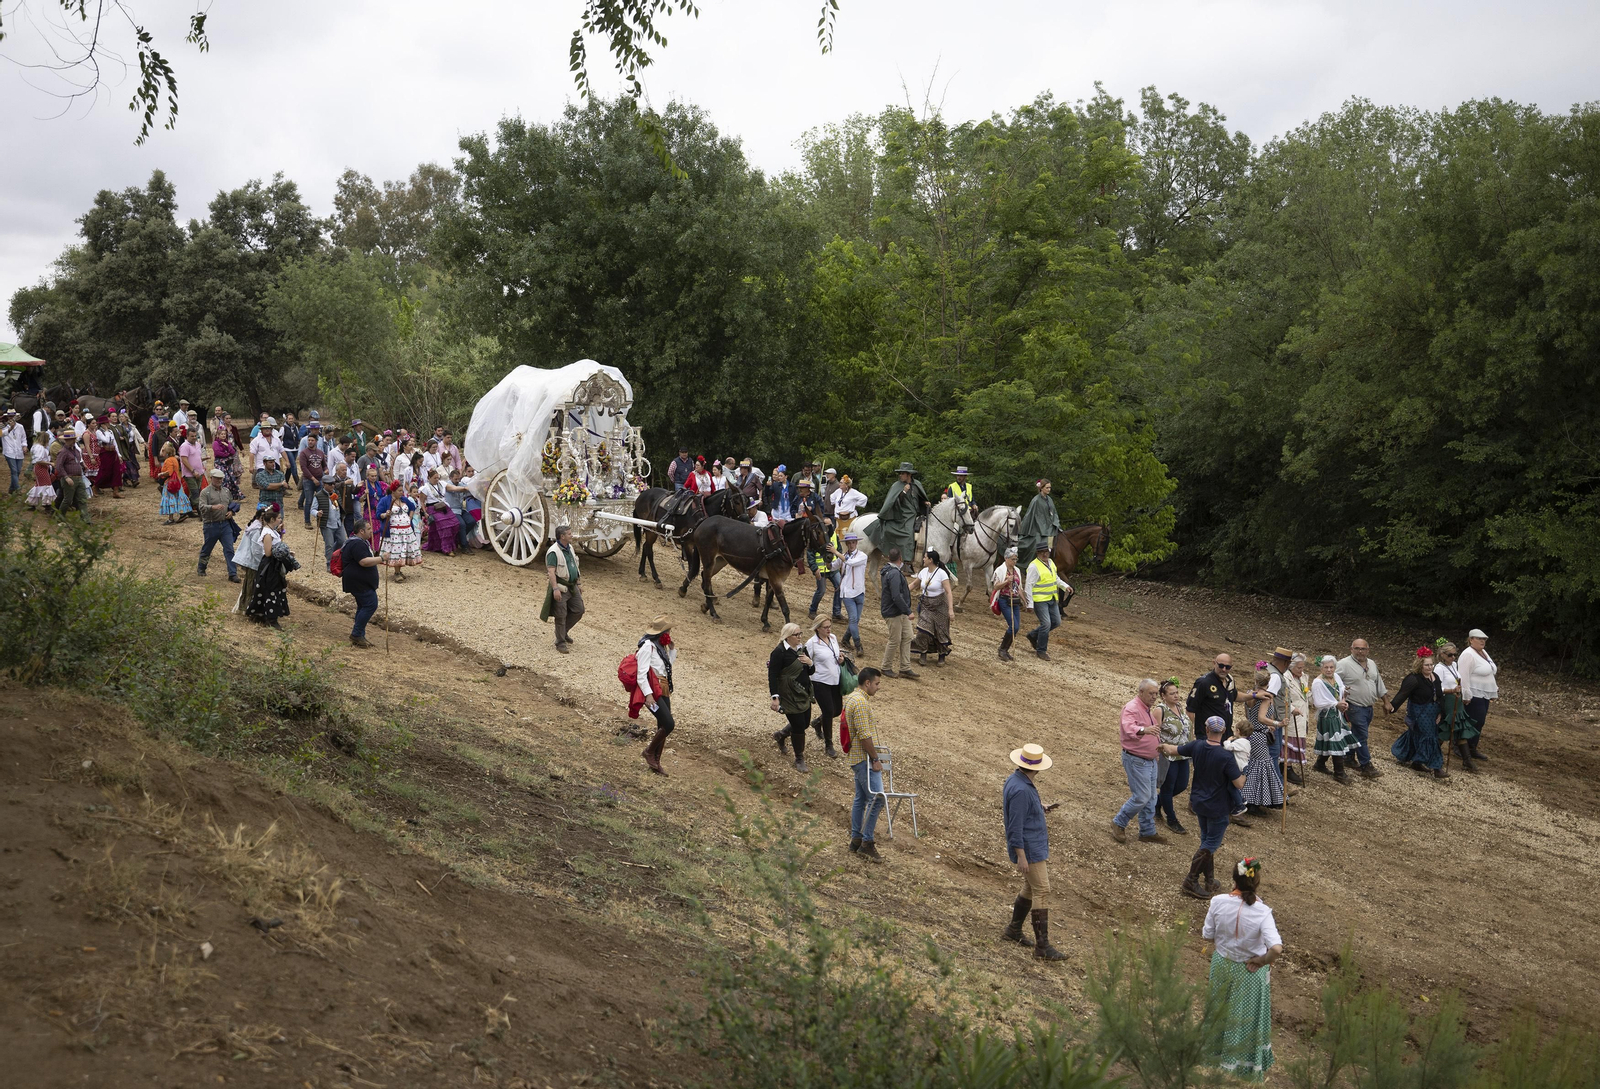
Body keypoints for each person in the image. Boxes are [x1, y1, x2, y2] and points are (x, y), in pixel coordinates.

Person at [1203, 859, 1282, 1082]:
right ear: (1256, 882)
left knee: (1220, 1012)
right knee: (1244, 1018)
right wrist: (1262, 960)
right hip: (1249, 973)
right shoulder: (1262, 912)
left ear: (1234, 878)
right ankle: (1242, 1067)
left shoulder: (1218, 902)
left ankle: (1216, 1059)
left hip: (1222, 965)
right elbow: (1276, 948)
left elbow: (1207, 935)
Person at [1161, 716, 1246, 900]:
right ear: (1224, 731)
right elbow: (1239, 784)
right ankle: (1190, 881)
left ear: (1206, 729)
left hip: (1199, 802)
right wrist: (1245, 771)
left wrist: (1159, 745)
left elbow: (1173, 749)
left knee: (1206, 840)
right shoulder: (1226, 756)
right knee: (1210, 844)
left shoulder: (1197, 746)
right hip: (1218, 806)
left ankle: (1209, 880)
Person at [1001, 742, 1065, 961]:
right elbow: (1015, 826)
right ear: (1037, 767)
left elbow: (1021, 813)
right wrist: (1021, 855)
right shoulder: (1021, 790)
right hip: (1030, 848)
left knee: (1030, 888)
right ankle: (1042, 947)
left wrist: (1039, 807)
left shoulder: (1017, 780)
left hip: (1031, 845)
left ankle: (1014, 930)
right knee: (1042, 890)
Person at [1111, 679, 1169, 844]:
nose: (1154, 697)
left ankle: (1147, 831)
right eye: (1151, 693)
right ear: (1141, 692)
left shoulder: (1146, 708)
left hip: (1149, 760)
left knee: (1151, 798)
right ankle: (1118, 822)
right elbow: (1128, 728)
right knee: (1143, 796)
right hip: (1136, 759)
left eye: (1156, 693)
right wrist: (1145, 730)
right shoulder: (1132, 708)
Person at [844, 667, 886, 861]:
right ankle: (867, 842)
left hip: (857, 758)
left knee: (861, 799)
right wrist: (875, 759)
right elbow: (864, 735)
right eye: (876, 683)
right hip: (863, 758)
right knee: (878, 798)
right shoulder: (860, 703)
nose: (878, 687)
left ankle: (856, 840)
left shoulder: (854, 698)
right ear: (867, 683)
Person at [1388, 647, 1448, 778]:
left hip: (1433, 712)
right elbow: (1402, 694)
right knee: (1430, 737)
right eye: (1426, 665)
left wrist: (1441, 713)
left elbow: (1440, 696)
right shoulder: (1413, 679)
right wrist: (1392, 706)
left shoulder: (1435, 677)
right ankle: (1437, 767)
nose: (1430, 667)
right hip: (1419, 712)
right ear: (1420, 665)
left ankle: (1415, 761)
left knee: (1417, 734)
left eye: (1431, 664)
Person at [1336, 638, 1387, 780]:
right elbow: (1332, 680)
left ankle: (1349, 757)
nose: (1360, 651)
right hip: (1354, 706)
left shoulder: (1371, 663)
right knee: (1361, 736)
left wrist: (1386, 701)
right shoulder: (1343, 664)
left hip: (1369, 707)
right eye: (1357, 648)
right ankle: (1366, 765)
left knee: (1356, 733)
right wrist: (1339, 699)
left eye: (1363, 649)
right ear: (1351, 649)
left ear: (1368, 650)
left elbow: (1378, 683)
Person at [768, 622, 815, 773]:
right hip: (788, 695)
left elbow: (810, 672)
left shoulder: (802, 649)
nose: (800, 637)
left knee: (805, 723)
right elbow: (773, 675)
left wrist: (810, 663)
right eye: (797, 634)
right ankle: (799, 758)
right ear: (788, 637)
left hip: (804, 693)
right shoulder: (779, 652)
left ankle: (780, 735)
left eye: (801, 633)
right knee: (799, 727)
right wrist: (775, 697)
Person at [862, 462, 928, 565]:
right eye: (900, 473)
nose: (900, 475)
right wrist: (904, 492)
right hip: (902, 514)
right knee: (907, 534)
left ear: (909, 474)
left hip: (914, 514)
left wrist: (925, 502)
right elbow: (893, 501)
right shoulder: (897, 486)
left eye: (902, 473)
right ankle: (907, 562)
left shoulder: (917, 484)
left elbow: (919, 498)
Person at [1240, 666, 1286, 813]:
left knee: (1252, 766)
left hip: (1250, 733)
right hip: (1259, 735)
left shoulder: (1250, 695)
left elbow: (1250, 716)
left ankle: (1248, 798)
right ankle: (1253, 801)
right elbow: (1261, 718)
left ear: (1255, 680)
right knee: (1260, 767)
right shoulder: (1266, 697)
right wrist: (1277, 723)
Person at [635, 616, 677, 774]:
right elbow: (641, 674)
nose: (670, 634)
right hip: (653, 692)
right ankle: (649, 752)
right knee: (669, 724)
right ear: (661, 633)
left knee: (662, 725)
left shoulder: (660, 647)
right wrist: (648, 695)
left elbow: (666, 668)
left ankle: (656, 763)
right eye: (668, 631)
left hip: (663, 690)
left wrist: (672, 650)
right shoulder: (648, 647)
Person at [245, 505, 297, 628]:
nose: (280, 520)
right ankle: (270, 618)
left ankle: (265, 615)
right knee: (271, 590)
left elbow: (277, 543)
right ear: (272, 520)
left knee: (274, 590)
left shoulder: (272, 531)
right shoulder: (267, 534)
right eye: (279, 518)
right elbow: (268, 552)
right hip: (270, 566)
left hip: (274, 564)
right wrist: (282, 552)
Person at [1310, 654, 1359, 784]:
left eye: (1331, 667)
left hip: (1337, 714)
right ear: (1321, 668)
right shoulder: (1318, 682)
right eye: (1326, 667)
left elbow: (1341, 689)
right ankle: (1339, 773)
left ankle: (1320, 764)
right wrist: (1335, 704)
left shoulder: (1336, 677)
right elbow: (1318, 702)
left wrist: (1343, 699)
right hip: (1327, 716)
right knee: (1335, 740)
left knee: (1330, 740)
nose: (1329, 670)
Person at [1433, 641, 1478, 773]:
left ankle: (1467, 760)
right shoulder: (1439, 668)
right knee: (1447, 728)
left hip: (1457, 701)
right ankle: (1431, 754)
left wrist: (1463, 694)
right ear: (1442, 654)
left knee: (1460, 729)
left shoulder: (1454, 665)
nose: (1453, 657)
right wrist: (1451, 690)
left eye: (1455, 655)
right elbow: (1436, 688)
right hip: (1448, 701)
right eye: (1450, 655)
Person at [1155, 679, 1193, 834]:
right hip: (1167, 755)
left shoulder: (1179, 707)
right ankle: (1172, 819)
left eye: (1177, 692)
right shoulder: (1160, 710)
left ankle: (1156, 804)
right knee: (1168, 787)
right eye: (1172, 693)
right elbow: (1155, 733)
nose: (1176, 696)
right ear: (1163, 696)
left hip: (1182, 753)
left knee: (1182, 785)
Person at [806, 615, 845, 759]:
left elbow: (835, 655)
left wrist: (841, 660)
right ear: (817, 628)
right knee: (828, 711)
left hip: (835, 680)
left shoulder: (833, 638)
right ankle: (829, 744)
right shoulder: (812, 643)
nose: (829, 629)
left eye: (830, 626)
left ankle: (817, 722)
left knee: (837, 710)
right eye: (825, 627)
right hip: (820, 681)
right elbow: (806, 661)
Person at [339, 518, 382, 647]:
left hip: (358, 581)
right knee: (370, 604)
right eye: (369, 529)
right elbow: (363, 561)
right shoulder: (357, 544)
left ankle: (359, 634)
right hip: (358, 582)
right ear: (361, 531)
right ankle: (357, 634)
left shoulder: (358, 542)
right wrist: (381, 558)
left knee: (363, 606)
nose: (371, 531)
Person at [542, 524, 584, 652]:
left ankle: (563, 631)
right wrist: (555, 589)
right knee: (560, 615)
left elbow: (574, 565)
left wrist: (578, 583)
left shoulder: (569, 547)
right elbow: (551, 572)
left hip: (572, 585)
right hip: (561, 586)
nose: (571, 535)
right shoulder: (553, 552)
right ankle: (560, 642)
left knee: (579, 610)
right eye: (569, 534)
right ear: (562, 536)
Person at [1457, 628, 1497, 763]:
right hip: (1474, 693)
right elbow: (1463, 676)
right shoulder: (1468, 654)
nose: (1482, 641)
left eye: (1484, 639)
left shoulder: (1483, 652)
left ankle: (1472, 747)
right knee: (1473, 720)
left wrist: (1492, 691)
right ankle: (1461, 747)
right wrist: (1466, 694)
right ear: (1471, 640)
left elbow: (1490, 672)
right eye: (1479, 639)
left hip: (1484, 693)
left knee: (1480, 721)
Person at [911, 547, 955, 666]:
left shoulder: (942, 574)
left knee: (940, 631)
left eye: (925, 557)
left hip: (940, 606)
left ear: (930, 560)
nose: (923, 559)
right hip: (926, 604)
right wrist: (900, 591)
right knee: (923, 630)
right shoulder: (923, 572)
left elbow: (948, 592)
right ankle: (923, 653)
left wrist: (950, 610)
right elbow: (914, 584)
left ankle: (941, 656)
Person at [196, 468, 240, 582]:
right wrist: (213, 507)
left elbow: (232, 504)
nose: (219, 481)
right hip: (211, 525)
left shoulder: (226, 491)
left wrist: (232, 512)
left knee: (229, 549)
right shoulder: (205, 492)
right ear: (211, 478)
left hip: (225, 524)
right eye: (216, 478)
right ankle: (201, 567)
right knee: (207, 548)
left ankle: (232, 573)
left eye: (220, 479)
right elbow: (201, 507)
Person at [879, 547, 916, 679]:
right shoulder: (894, 573)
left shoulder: (888, 571)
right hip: (895, 611)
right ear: (900, 558)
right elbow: (896, 596)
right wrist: (908, 610)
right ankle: (886, 667)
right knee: (895, 639)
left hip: (897, 611)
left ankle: (905, 667)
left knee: (908, 636)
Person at [1023, 543, 1062, 661]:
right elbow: (1028, 586)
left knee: (1056, 622)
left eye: (1046, 551)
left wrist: (1065, 586)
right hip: (1040, 601)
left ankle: (1033, 635)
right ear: (1037, 553)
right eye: (1042, 552)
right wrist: (1029, 604)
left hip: (1051, 598)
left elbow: (1055, 578)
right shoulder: (1034, 566)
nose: (1045, 554)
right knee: (1046, 624)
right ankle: (1041, 650)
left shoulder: (1051, 563)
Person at [378, 482, 423, 579]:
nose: (402, 493)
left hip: (406, 530)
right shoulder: (385, 500)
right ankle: (397, 573)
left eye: (402, 490)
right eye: (399, 491)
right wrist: (385, 514)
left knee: (402, 550)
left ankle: (399, 571)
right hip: (394, 531)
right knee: (396, 551)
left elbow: (412, 507)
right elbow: (379, 514)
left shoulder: (404, 499)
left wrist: (409, 518)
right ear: (393, 491)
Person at [835, 532, 869, 655]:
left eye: (853, 542)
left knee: (855, 620)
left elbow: (850, 562)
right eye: (849, 543)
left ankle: (845, 639)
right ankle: (858, 646)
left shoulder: (862, 556)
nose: (851, 545)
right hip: (848, 593)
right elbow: (833, 566)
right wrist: (827, 561)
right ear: (847, 544)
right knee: (853, 620)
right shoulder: (843, 556)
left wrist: (836, 552)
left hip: (859, 592)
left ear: (856, 543)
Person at [1187, 654, 1237, 734]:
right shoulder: (1203, 683)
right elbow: (1190, 710)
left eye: (1227, 667)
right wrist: (1189, 736)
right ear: (1214, 663)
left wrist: (1253, 695)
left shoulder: (1229, 680)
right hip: (1207, 736)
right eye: (1221, 666)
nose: (1224, 669)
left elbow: (1235, 695)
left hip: (1226, 734)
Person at [990, 547, 1024, 662]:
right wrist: (1006, 581)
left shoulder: (1017, 571)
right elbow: (995, 586)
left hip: (1014, 600)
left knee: (1016, 627)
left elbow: (1019, 588)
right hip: (1004, 600)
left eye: (1016, 559)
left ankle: (1005, 649)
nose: (1015, 561)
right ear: (1006, 558)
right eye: (1013, 559)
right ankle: (1002, 649)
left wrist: (1025, 601)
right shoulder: (1000, 570)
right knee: (1013, 626)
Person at [1282, 653, 1312, 785]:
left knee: (1297, 737)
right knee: (1288, 740)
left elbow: (1307, 695)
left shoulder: (1303, 677)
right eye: (1299, 668)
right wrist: (1292, 708)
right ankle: (1285, 768)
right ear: (1290, 666)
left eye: (1302, 667)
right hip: (1291, 714)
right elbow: (1283, 697)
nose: (1302, 670)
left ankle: (1288, 766)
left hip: (1302, 714)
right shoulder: (1285, 678)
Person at [1016, 478, 1061, 559]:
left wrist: (1055, 523)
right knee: (1036, 545)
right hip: (1038, 529)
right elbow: (1030, 515)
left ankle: (1050, 560)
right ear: (1041, 488)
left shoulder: (1049, 499)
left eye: (1050, 487)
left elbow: (1054, 513)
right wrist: (1022, 528)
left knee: (1052, 543)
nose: (1049, 489)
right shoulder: (1036, 500)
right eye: (1047, 488)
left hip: (1050, 528)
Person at [419, 468, 461, 556]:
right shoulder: (425, 488)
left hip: (443, 506)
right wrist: (425, 512)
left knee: (455, 523)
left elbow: (454, 488)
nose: (437, 480)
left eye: (438, 478)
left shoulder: (441, 484)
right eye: (435, 478)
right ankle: (447, 549)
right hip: (432, 508)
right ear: (429, 478)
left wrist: (465, 488)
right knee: (445, 526)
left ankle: (439, 545)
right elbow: (422, 501)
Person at [298, 424, 328, 529]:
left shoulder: (320, 453)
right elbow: (304, 468)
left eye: (312, 440)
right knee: (309, 501)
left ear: (316, 441)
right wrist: (313, 479)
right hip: (308, 480)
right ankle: (307, 521)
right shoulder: (303, 453)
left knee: (321, 500)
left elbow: (324, 464)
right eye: (309, 440)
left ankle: (321, 520)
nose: (310, 442)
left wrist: (326, 470)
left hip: (320, 479)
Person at [156, 441, 191, 523]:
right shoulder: (174, 459)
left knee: (170, 499)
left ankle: (171, 518)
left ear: (166, 452)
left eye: (163, 450)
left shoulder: (168, 460)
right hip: (177, 481)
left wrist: (161, 474)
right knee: (178, 497)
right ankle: (182, 513)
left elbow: (170, 472)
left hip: (170, 483)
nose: (161, 452)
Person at [90, 414, 124, 499]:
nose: (108, 424)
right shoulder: (99, 432)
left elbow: (114, 443)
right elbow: (106, 440)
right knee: (105, 471)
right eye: (106, 423)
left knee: (116, 471)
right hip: (105, 452)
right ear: (103, 424)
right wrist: (106, 431)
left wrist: (119, 455)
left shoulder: (110, 431)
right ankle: (95, 486)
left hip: (113, 452)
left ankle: (115, 491)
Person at [212, 416, 244, 501]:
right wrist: (227, 454)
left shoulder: (227, 443)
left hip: (228, 463)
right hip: (220, 463)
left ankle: (233, 495)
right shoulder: (215, 443)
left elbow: (233, 452)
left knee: (231, 478)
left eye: (224, 434)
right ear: (218, 435)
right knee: (224, 478)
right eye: (221, 434)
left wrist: (228, 446)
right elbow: (218, 453)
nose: (223, 435)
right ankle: (222, 495)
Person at [26, 428, 57, 510]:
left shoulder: (36, 446)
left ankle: (34, 503)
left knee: (40, 485)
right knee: (46, 485)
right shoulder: (39, 448)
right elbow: (39, 460)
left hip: (41, 467)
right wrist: (50, 463)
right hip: (41, 468)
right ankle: (47, 504)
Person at [3, 409, 28, 493]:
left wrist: (24, 446)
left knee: (17, 471)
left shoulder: (20, 427)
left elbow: (23, 438)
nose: (11, 417)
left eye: (13, 416)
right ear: (7, 417)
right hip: (8, 452)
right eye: (10, 416)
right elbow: (1, 434)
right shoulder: (2, 426)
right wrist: (10, 428)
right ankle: (18, 490)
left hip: (19, 452)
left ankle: (11, 489)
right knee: (14, 471)